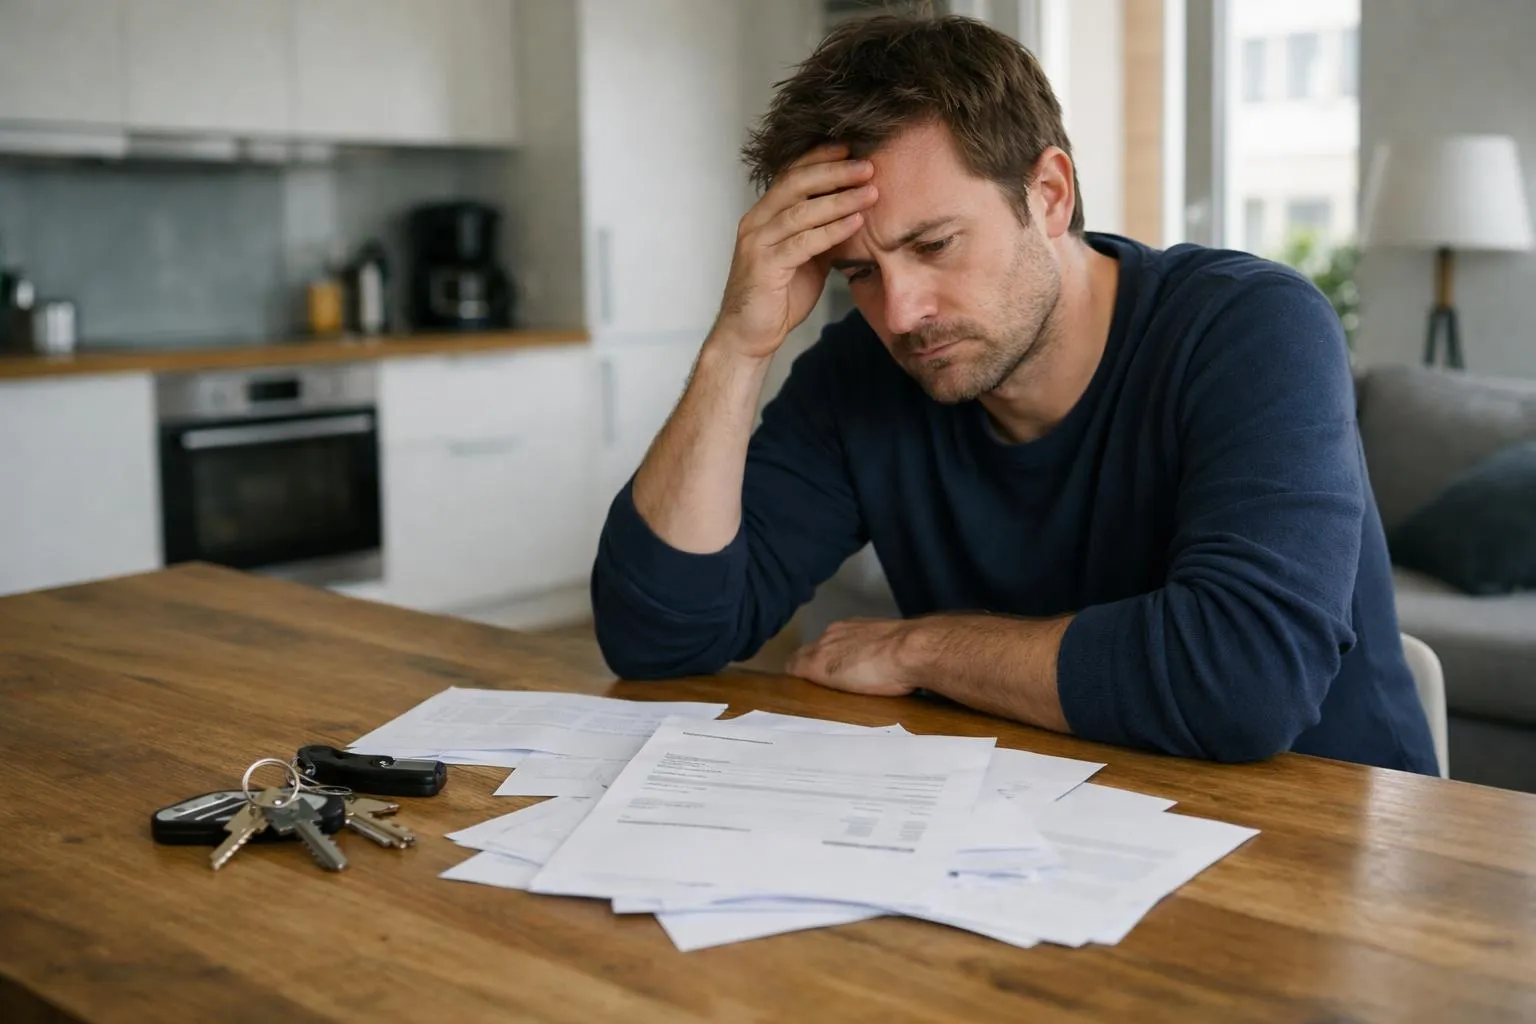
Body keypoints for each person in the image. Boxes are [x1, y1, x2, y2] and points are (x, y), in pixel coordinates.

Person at [588, 13, 1438, 774]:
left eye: (936, 243)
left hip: (1331, 852)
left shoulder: (1250, 328)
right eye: (860, 275)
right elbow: (659, 638)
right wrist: (737, 346)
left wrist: (924, 648)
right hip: (1038, 839)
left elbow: (1244, 680)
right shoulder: (863, 374)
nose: (903, 312)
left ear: (1050, 194)